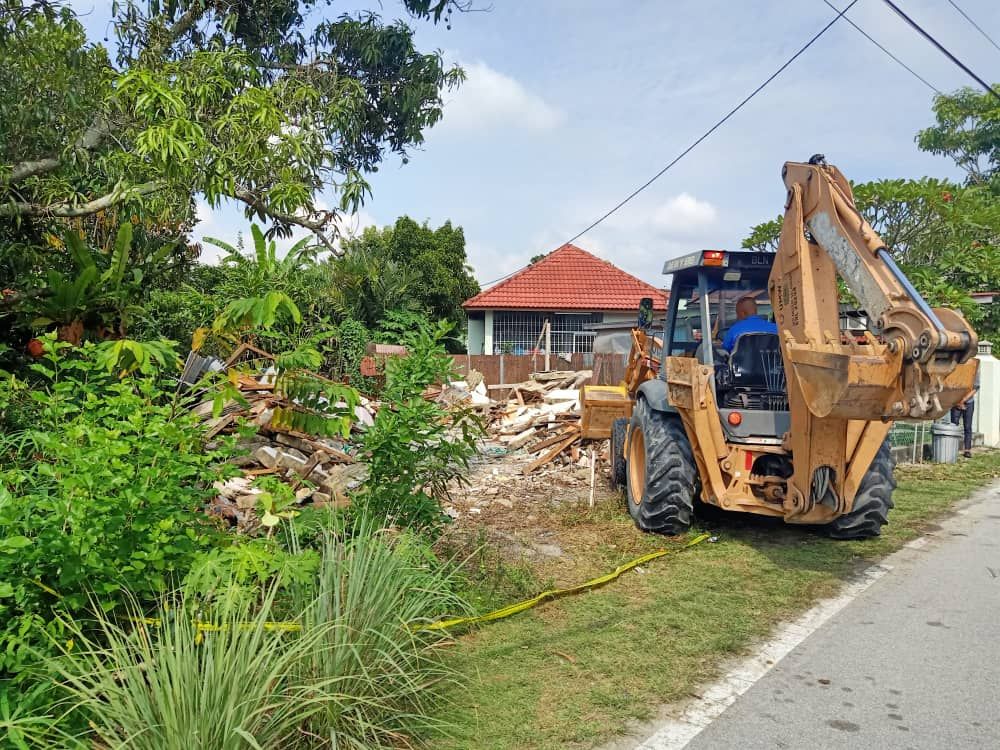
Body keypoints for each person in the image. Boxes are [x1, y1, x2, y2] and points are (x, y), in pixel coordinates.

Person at [951, 364, 980, 459]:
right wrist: (957, 401)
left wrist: (963, 400)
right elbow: (951, 385)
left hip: (968, 402)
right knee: (953, 425)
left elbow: (975, 388)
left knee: (967, 427)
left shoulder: (974, 369)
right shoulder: (956, 368)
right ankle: (952, 448)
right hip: (956, 401)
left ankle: (967, 450)